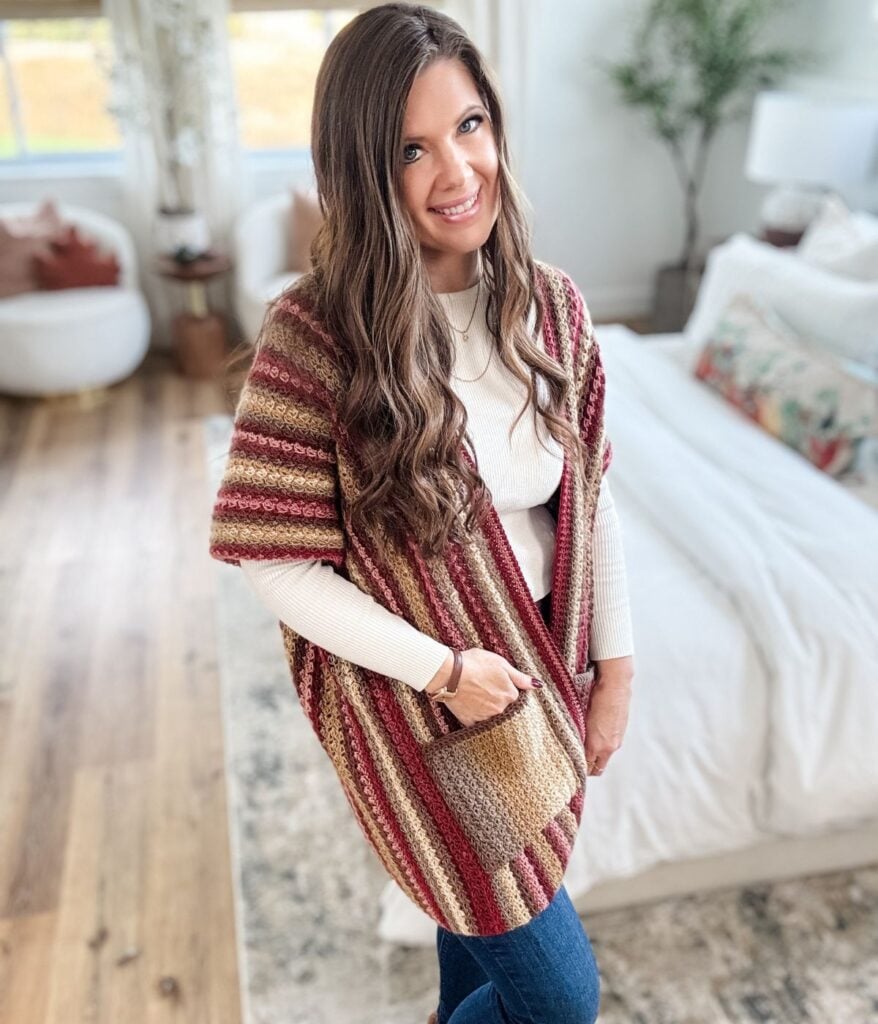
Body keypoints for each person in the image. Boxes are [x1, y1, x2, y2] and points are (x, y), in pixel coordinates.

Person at [211, 5, 635, 1022]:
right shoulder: (313, 340)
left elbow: (591, 493)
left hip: (537, 679)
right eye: (411, 148)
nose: (457, 172)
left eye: (469, 127)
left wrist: (613, 664)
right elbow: (277, 565)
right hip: (419, 710)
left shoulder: (552, 305)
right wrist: (441, 668)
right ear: (363, 168)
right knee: (558, 1002)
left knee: (473, 942)